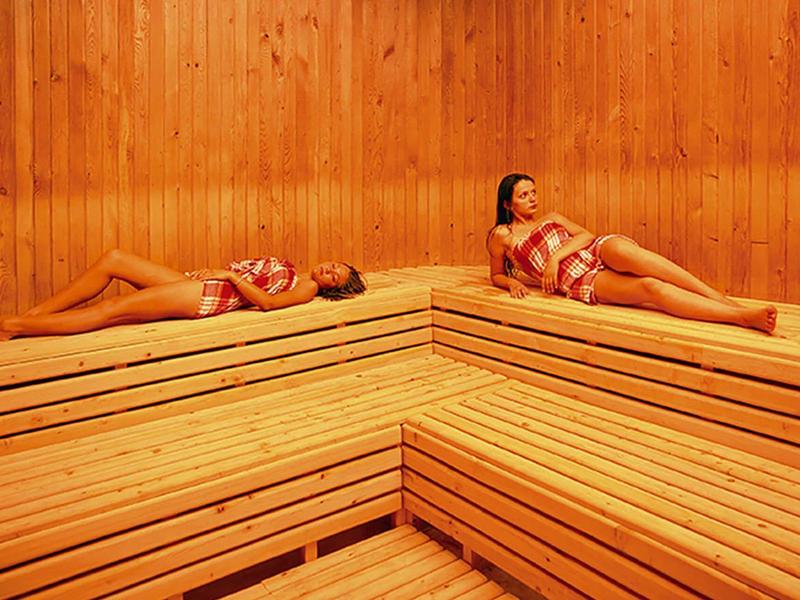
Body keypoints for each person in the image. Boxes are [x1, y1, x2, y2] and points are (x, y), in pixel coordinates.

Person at [487, 172, 777, 333]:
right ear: (508, 204)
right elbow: (496, 274)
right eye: (524, 195)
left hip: (594, 250)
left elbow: (586, 235)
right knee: (651, 287)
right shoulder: (503, 236)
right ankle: (738, 318)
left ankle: (720, 298)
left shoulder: (551, 217)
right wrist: (512, 281)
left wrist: (554, 257)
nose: (532, 199)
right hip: (577, 278)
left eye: (533, 192)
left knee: (642, 259)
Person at [0, 249, 367, 338]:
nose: (329, 270)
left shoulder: (305, 288)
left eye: (335, 277)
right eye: (335, 265)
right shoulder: (299, 274)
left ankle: (15, 326)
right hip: (200, 284)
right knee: (114, 259)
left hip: (207, 296)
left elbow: (269, 304)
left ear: (332, 289)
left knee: (113, 308)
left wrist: (229, 276)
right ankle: (34, 316)